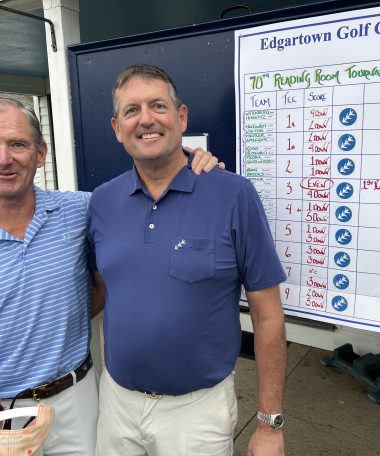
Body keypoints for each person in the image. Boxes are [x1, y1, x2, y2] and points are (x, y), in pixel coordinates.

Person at [0, 94, 220, 455]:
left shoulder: (83, 210)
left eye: (18, 144)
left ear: (40, 153)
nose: (3, 158)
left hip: (77, 400)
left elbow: (151, 195)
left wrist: (188, 162)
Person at [88, 64, 287, 456]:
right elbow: (102, 290)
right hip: (116, 405)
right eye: (132, 110)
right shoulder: (101, 202)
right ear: (117, 128)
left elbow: (268, 315)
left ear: (181, 117)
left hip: (197, 414)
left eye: (158, 105)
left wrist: (269, 423)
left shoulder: (233, 195)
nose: (146, 119)